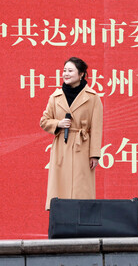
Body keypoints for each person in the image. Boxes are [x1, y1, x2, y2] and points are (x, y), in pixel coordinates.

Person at [40, 57, 103, 210]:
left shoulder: (93, 97)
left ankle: (82, 218)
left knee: (81, 188)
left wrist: (94, 154)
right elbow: (44, 121)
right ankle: (61, 216)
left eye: (70, 71)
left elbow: (96, 128)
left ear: (81, 74)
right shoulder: (55, 97)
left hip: (82, 146)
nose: (66, 74)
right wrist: (58, 124)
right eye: (64, 71)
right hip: (62, 145)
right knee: (60, 186)